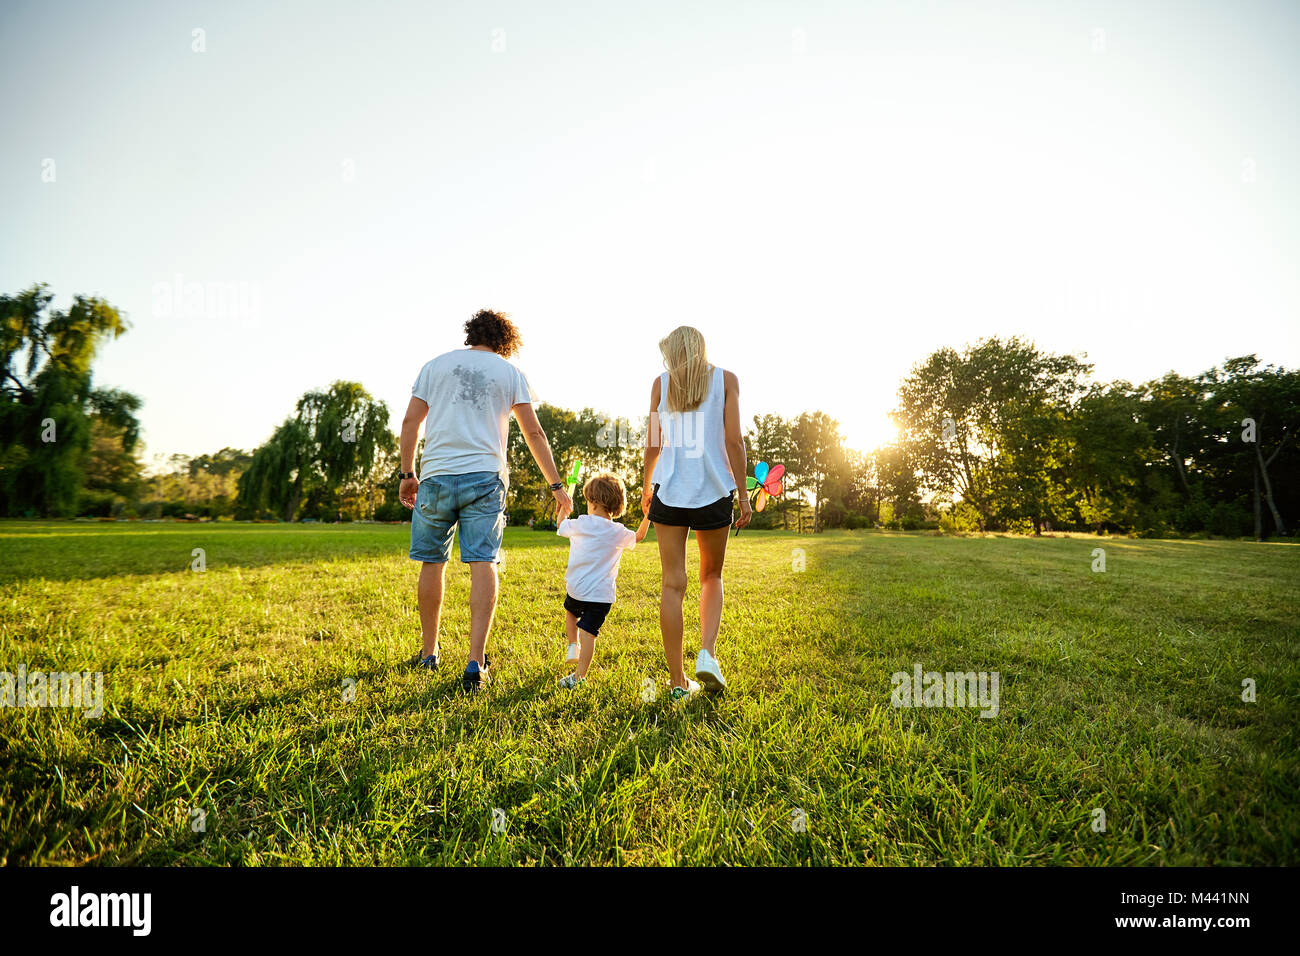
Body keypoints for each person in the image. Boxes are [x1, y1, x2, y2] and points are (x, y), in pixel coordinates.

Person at [398, 309, 572, 691]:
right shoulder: (510, 373)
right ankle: (475, 663)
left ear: (471, 334)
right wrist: (557, 486)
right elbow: (534, 433)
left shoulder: (435, 366)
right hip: (485, 478)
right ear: (505, 342)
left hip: (436, 476)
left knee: (431, 563)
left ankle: (429, 653)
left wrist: (408, 474)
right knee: (482, 562)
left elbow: (411, 422)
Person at [641, 326, 751, 701]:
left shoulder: (660, 384)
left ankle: (677, 682)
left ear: (672, 352)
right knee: (711, 575)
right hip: (714, 491)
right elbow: (734, 441)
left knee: (673, 583)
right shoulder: (727, 380)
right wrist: (745, 495)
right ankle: (708, 653)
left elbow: (653, 444)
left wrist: (645, 485)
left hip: (669, 492)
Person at [555, 473, 649, 688]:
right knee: (589, 632)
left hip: (577, 589)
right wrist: (647, 516)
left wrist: (563, 510)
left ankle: (572, 644)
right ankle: (579, 676)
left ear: (593, 502)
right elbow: (639, 536)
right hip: (601, 596)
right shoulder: (618, 531)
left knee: (571, 613)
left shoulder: (580, 524)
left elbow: (560, 525)